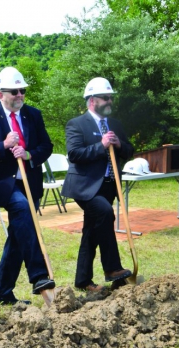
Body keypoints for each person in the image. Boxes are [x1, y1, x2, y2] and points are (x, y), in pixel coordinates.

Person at [0, 67, 56, 305]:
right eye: (14, 91)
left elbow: (46, 146)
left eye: (22, 91)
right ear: (1, 95)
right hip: (1, 184)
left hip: (30, 181)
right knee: (22, 211)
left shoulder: (33, 115)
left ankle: (2, 293)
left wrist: (28, 155)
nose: (19, 95)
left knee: (19, 235)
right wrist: (4, 145)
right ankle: (39, 275)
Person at [61, 77, 134, 292]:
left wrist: (119, 144)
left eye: (111, 97)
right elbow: (74, 154)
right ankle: (112, 269)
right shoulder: (76, 124)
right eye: (105, 97)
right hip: (85, 186)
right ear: (92, 100)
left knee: (92, 231)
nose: (110, 101)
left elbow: (130, 151)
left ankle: (83, 281)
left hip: (110, 185)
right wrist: (101, 146)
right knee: (104, 213)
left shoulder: (115, 125)